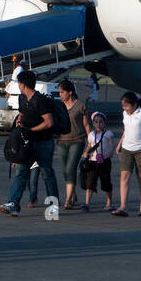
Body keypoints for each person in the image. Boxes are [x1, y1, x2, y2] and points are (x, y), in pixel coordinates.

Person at [1, 70, 57, 216]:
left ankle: (53, 207)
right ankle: (13, 203)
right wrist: (20, 121)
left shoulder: (39, 100)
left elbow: (49, 122)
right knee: (20, 172)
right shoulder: (22, 98)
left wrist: (31, 130)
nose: (18, 85)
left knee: (47, 173)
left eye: (18, 83)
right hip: (27, 143)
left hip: (44, 142)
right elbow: (22, 114)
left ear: (23, 84)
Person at [56, 79, 88, 209]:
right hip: (61, 141)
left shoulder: (80, 105)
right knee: (65, 171)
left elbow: (86, 124)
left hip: (77, 140)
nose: (60, 95)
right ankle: (73, 194)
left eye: (62, 92)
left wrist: (91, 141)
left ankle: (68, 200)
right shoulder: (59, 106)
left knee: (70, 168)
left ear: (70, 92)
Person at [80, 111, 115, 211]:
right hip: (93, 162)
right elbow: (89, 145)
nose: (98, 124)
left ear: (104, 123)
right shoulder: (91, 134)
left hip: (104, 161)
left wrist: (111, 152)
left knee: (106, 183)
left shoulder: (108, 134)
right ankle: (87, 204)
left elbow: (112, 144)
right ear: (93, 123)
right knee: (90, 182)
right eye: (96, 122)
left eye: (100, 122)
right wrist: (86, 152)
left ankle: (109, 202)